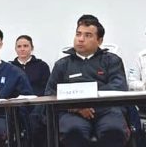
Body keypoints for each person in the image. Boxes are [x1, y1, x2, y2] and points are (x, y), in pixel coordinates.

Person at [45, 15, 129, 147]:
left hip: (106, 109)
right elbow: (50, 92)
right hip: (73, 111)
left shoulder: (112, 60)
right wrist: (77, 106)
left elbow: (118, 86)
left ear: (99, 40)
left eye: (88, 35)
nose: (81, 39)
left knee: (114, 131)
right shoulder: (62, 64)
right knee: (73, 132)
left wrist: (91, 102)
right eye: (78, 34)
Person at [11, 35, 50, 147]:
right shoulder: (10, 67)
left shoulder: (42, 66)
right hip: (16, 103)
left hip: (38, 102)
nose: (22, 49)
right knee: (19, 115)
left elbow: (47, 87)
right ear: (15, 49)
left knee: (35, 118)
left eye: (25, 46)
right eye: (19, 46)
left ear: (31, 48)